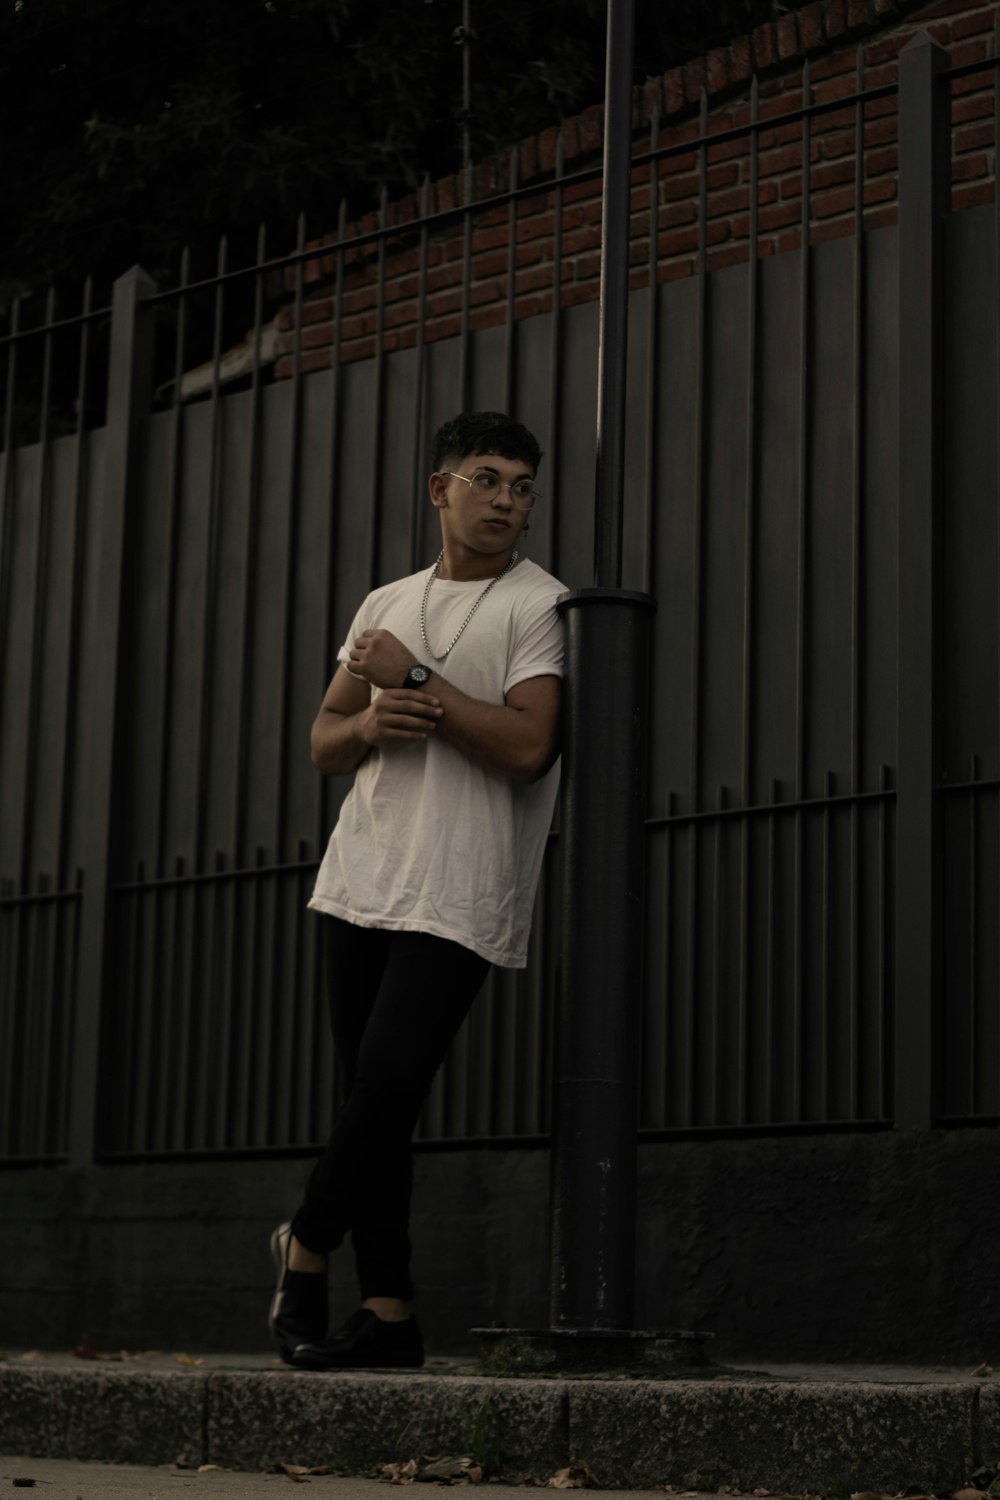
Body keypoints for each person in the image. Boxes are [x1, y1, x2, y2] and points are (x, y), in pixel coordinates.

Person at [269, 410, 566, 1370]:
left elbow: (528, 748)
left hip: (461, 886)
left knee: (391, 1081)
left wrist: (421, 686)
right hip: (361, 876)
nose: (506, 501)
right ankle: (390, 1316)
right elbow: (325, 739)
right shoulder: (385, 600)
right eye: (487, 479)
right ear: (441, 490)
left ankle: (306, 1242)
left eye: (521, 486)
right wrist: (371, 724)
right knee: (374, 1104)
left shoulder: (540, 606)